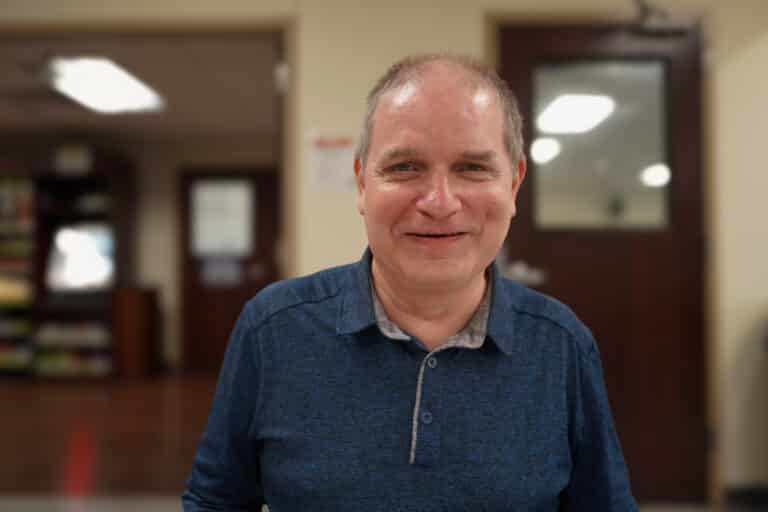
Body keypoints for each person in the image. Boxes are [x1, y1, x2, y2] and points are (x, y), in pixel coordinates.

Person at [183, 53, 638, 511]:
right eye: (405, 168)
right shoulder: (273, 329)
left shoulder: (561, 345)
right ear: (362, 183)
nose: (439, 203)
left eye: (472, 168)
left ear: (514, 185)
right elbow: (215, 500)